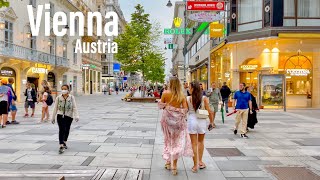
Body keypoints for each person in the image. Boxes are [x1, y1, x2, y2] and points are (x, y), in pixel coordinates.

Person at [158, 77, 193, 176]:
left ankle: (168, 162)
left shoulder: (165, 93)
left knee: (168, 141)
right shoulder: (181, 95)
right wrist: (176, 110)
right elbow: (185, 109)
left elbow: (161, 106)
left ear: (170, 83)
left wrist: (168, 107)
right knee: (177, 143)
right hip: (178, 122)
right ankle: (174, 166)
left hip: (167, 121)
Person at [187, 81, 213, 173]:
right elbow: (209, 111)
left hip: (191, 121)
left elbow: (185, 110)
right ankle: (200, 162)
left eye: (189, 87)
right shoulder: (204, 98)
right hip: (202, 121)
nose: (188, 89)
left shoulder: (188, 98)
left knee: (193, 143)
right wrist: (212, 122)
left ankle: (195, 165)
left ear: (193, 88)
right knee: (200, 141)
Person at [51, 85, 79, 154]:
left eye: (65, 89)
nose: (63, 90)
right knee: (62, 129)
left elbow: (74, 107)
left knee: (67, 129)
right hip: (60, 116)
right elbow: (55, 108)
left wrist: (76, 116)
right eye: (62, 89)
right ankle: (61, 145)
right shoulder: (58, 98)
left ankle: (64, 141)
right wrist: (53, 117)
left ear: (68, 90)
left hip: (69, 116)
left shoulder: (71, 97)